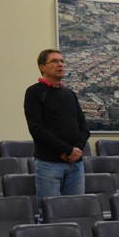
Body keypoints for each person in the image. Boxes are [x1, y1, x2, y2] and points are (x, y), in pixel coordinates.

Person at [24, 49, 89, 204]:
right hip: (49, 163)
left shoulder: (70, 94)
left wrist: (76, 151)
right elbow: (37, 129)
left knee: (76, 209)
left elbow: (84, 128)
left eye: (61, 61)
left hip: (75, 163)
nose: (60, 64)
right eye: (54, 61)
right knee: (49, 210)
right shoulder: (34, 92)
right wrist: (67, 150)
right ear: (42, 67)